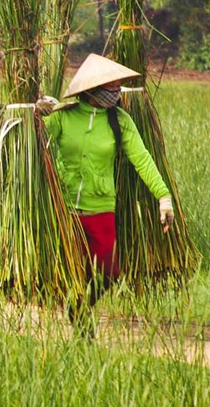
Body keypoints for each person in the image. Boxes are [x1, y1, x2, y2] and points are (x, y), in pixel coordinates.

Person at [37, 54, 173, 339]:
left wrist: (163, 196)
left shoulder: (119, 120)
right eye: (110, 86)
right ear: (91, 88)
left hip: (100, 206)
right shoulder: (64, 116)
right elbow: (38, 141)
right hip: (65, 207)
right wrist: (36, 114)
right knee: (76, 270)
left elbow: (142, 158)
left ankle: (81, 305)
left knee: (110, 271)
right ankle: (83, 327)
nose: (116, 91)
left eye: (117, 86)